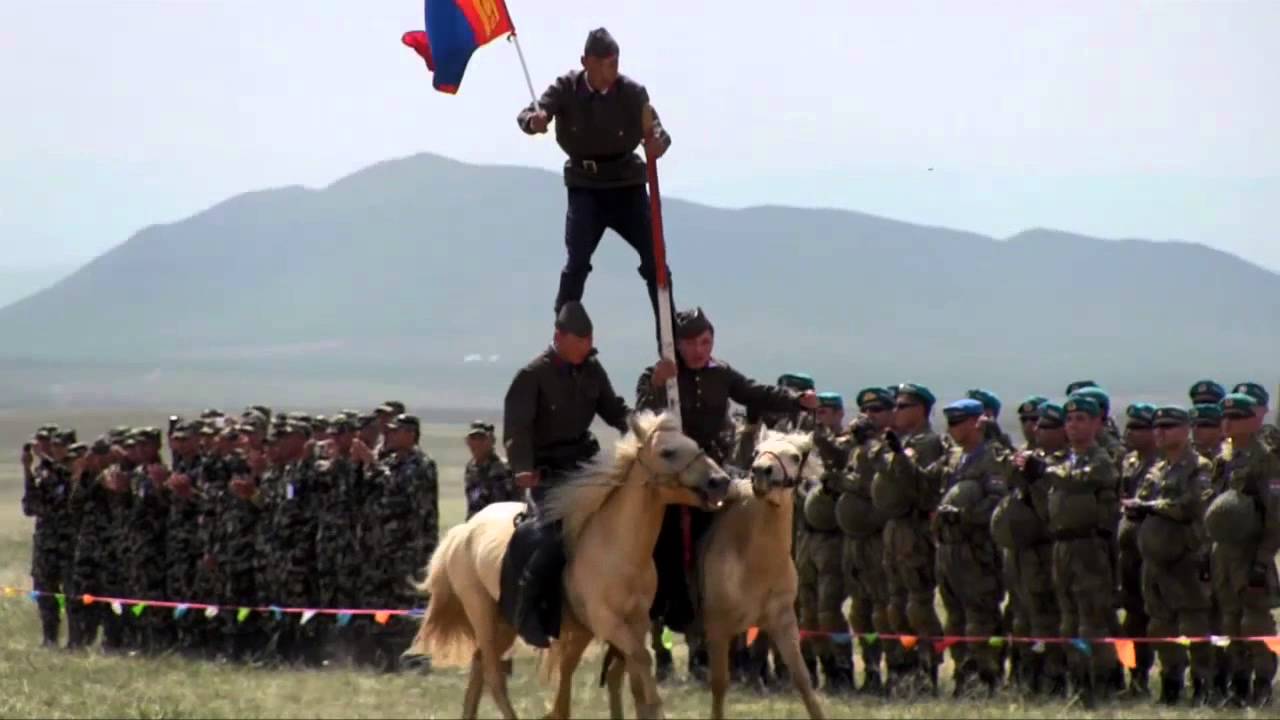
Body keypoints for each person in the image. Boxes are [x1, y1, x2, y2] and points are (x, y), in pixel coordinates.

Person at [636, 306, 815, 681]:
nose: (699, 350)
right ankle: (664, 616)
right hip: (675, 480)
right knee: (663, 546)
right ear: (676, 345)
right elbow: (640, 422)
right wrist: (655, 384)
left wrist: (796, 401)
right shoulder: (659, 376)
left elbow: (754, 391)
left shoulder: (721, 374)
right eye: (689, 343)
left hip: (716, 475)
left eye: (705, 341)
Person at [517, 27, 675, 346]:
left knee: (655, 259)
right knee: (577, 262)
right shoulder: (567, 87)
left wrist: (658, 143)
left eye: (614, 63)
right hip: (585, 186)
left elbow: (658, 131)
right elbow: (530, 113)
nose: (610, 71)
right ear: (586, 62)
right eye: (603, 64)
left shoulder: (633, 93)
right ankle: (564, 332)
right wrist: (536, 121)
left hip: (626, 185)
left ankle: (669, 338)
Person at [503, 301, 631, 647]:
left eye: (589, 341)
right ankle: (527, 612)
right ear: (559, 337)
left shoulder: (591, 369)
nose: (586, 348)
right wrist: (523, 468)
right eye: (579, 341)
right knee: (552, 537)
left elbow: (612, 409)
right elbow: (518, 429)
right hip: (547, 473)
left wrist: (639, 428)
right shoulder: (532, 376)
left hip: (584, 464)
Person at [1124, 406, 1216, 706]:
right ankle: (1170, 684)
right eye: (1157, 426)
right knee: (1159, 626)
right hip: (1154, 562)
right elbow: (1146, 500)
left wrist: (1152, 507)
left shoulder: (1199, 467)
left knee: (1194, 626)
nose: (1160, 432)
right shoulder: (1157, 468)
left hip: (1185, 559)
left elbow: (1192, 506)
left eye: (1169, 426)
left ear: (1186, 430)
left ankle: (1203, 685)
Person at [463, 421, 517, 520]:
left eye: (481, 439)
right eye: (473, 438)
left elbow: (503, 507)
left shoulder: (502, 469)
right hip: (474, 525)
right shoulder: (470, 468)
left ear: (491, 441)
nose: (476, 443)